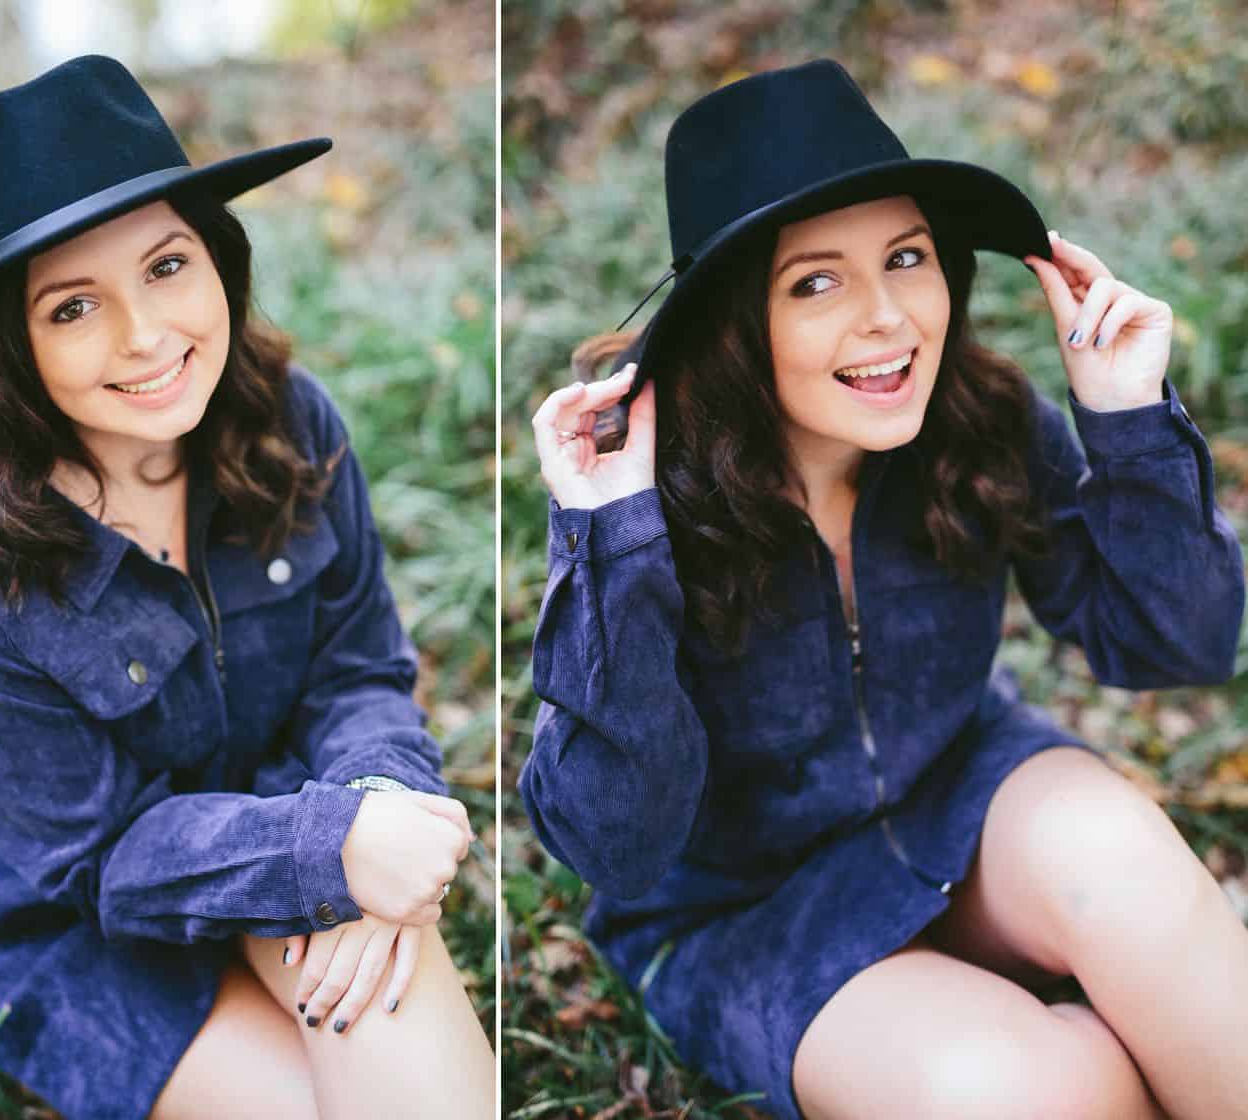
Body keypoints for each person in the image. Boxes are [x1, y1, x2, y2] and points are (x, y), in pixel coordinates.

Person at [521, 59, 1247, 1120]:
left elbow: (1178, 645)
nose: (889, 318)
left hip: (966, 798)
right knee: (1042, 1085)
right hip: (749, 911)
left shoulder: (978, 421)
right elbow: (617, 843)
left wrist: (1127, 422)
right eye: (815, 281)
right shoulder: (650, 503)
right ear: (734, 323)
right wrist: (615, 540)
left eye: (906, 258)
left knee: (1127, 864)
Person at [0, 55, 494, 1120]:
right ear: (7, 344)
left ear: (218, 256)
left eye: (164, 266)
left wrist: (375, 804)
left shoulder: (291, 424)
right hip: (90, 931)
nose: (147, 335)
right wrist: (324, 851)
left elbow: (359, 669)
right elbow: (97, 858)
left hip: (305, 814)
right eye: (72, 307)